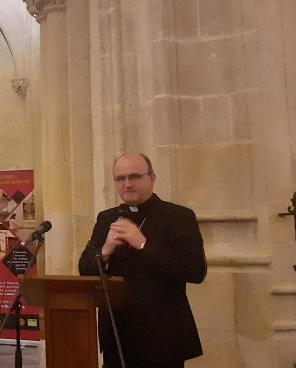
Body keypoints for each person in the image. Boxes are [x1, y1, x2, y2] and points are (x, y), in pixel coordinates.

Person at [78, 153, 206, 368]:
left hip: (162, 337)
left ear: (152, 179)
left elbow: (195, 270)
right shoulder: (106, 218)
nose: (127, 184)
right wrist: (106, 249)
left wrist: (142, 244)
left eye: (135, 176)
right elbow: (85, 269)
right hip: (117, 335)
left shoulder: (178, 217)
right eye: (120, 178)